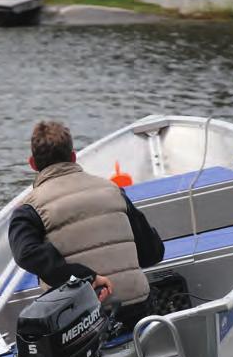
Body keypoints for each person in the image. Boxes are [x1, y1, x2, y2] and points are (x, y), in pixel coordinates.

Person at [8, 121, 164, 330]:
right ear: (73, 157)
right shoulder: (112, 190)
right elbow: (153, 252)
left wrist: (82, 278)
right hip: (136, 309)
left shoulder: (28, 209)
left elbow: (26, 253)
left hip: (78, 319)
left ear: (32, 164)